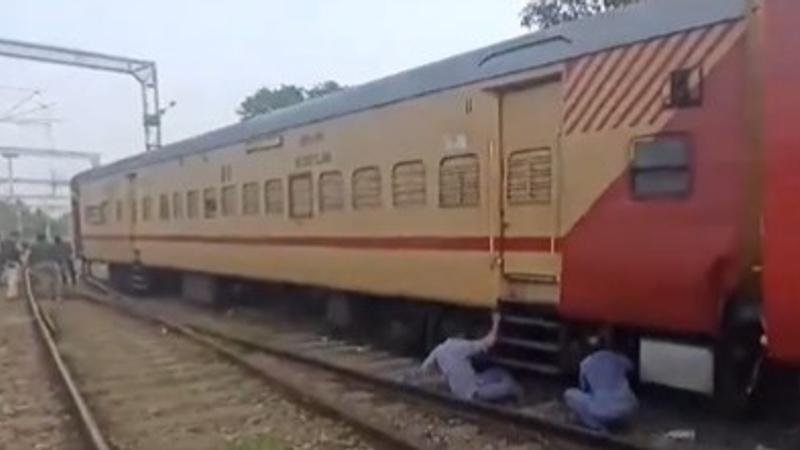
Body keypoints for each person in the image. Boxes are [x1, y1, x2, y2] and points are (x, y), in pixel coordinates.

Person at [418, 312, 521, 402]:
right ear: (460, 335)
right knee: (508, 385)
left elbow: (425, 368)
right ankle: (516, 393)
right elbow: (489, 342)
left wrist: (439, 378)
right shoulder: (461, 347)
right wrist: (496, 322)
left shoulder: (439, 349)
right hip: (473, 394)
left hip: (469, 384)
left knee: (497, 372)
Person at [563, 329, 638, 432]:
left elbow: (585, 389)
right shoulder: (620, 359)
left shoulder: (585, 364)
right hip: (627, 407)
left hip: (602, 411)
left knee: (569, 394)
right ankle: (620, 423)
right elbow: (631, 367)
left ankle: (596, 425)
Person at [27, 234, 63, 302]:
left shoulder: (33, 246)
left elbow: (30, 258)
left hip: (38, 265)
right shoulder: (51, 245)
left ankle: (47, 297)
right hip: (52, 264)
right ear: (45, 238)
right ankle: (58, 296)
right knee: (57, 279)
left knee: (44, 280)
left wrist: (30, 266)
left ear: (37, 239)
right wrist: (59, 264)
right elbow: (57, 255)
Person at [1, 231, 22, 300]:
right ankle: (10, 294)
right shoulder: (15, 243)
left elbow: (2, 252)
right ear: (15, 236)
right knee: (12, 279)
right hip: (13, 262)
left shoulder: (4, 242)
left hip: (6, 262)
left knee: (12, 278)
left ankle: (14, 294)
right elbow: (19, 252)